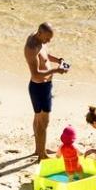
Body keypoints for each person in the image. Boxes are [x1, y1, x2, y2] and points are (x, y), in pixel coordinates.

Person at [25, 22, 68, 161]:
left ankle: (39, 149)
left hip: (43, 87)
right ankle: (42, 156)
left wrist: (58, 60)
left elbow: (45, 55)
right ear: (40, 34)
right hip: (39, 88)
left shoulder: (38, 39)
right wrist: (56, 70)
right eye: (47, 38)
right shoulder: (31, 48)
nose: (49, 41)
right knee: (43, 122)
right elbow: (36, 74)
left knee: (38, 119)